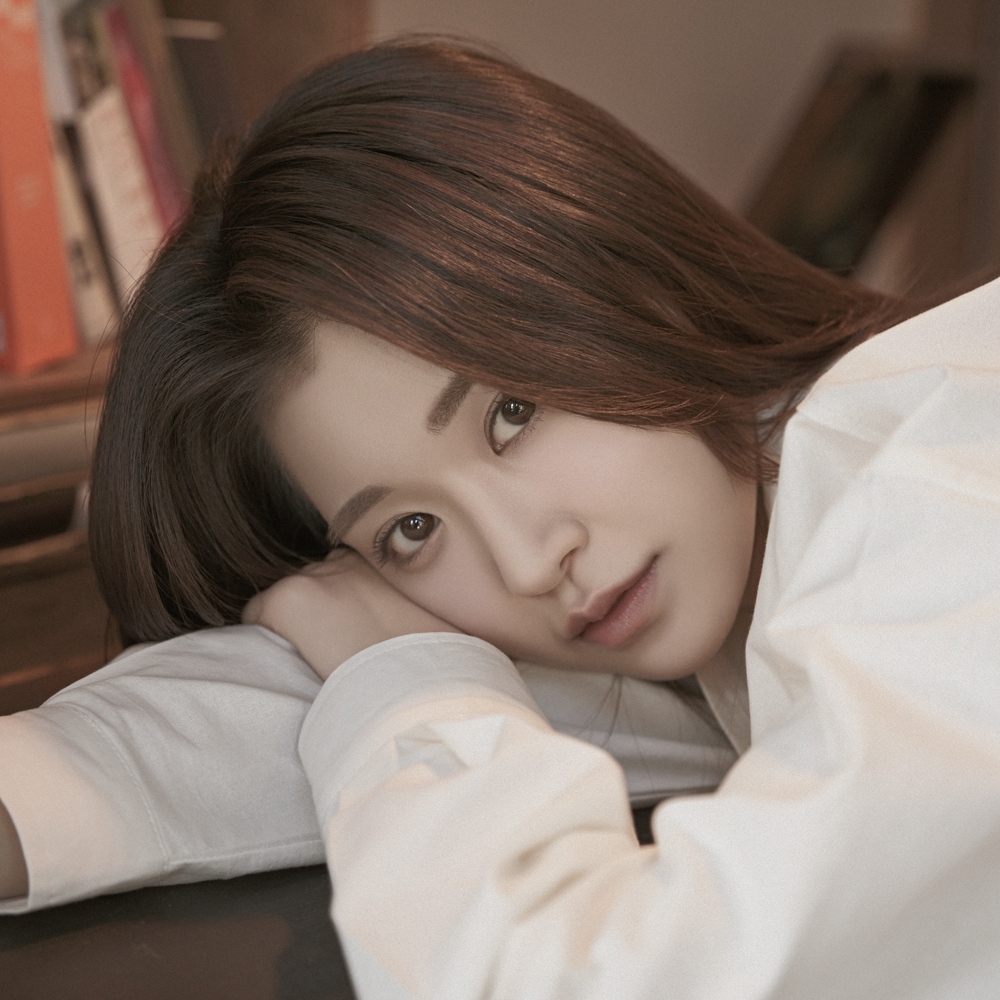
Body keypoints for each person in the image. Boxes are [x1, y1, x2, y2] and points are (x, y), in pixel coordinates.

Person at [2, 38, 999, 998]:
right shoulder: (732, 575)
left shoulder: (935, 488)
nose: (527, 561)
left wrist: (405, 688)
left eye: (512, 413)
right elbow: (339, 680)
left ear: (622, 266)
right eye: (410, 530)